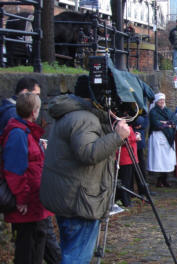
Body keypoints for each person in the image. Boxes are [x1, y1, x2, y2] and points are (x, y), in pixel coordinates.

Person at [40, 79, 130, 263]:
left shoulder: (70, 113)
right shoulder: (84, 118)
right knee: (76, 257)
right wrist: (117, 137)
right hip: (79, 201)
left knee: (69, 252)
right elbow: (88, 153)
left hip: (68, 195)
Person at [2, 93, 60, 264]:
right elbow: (15, 170)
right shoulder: (18, 134)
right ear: (35, 112)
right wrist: (22, 198)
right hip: (28, 204)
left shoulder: (25, 132)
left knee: (37, 244)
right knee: (29, 249)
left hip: (34, 200)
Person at [147, 93, 177, 188]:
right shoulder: (153, 112)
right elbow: (156, 124)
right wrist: (167, 124)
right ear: (156, 102)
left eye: (163, 100)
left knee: (167, 159)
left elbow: (173, 122)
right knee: (159, 159)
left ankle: (165, 179)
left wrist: (166, 123)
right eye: (160, 100)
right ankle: (159, 180)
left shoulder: (168, 111)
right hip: (158, 136)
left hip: (168, 137)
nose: (162, 102)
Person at [116, 123, 137, 207]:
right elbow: (123, 140)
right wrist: (135, 138)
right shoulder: (120, 126)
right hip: (124, 158)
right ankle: (125, 201)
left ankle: (127, 199)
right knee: (125, 181)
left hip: (129, 157)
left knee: (128, 180)